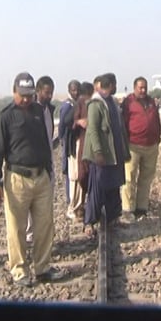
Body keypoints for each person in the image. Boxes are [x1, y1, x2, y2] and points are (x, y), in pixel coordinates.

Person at [0, 72, 65, 287]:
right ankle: (20, 270)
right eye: (22, 95)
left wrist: (49, 170)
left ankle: (42, 268)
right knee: (17, 228)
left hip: (40, 177)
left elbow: (45, 142)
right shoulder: (5, 117)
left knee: (44, 226)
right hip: (17, 179)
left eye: (29, 95)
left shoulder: (38, 112)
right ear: (14, 91)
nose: (26, 99)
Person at [82, 73, 130, 237]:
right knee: (97, 188)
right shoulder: (96, 104)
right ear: (109, 85)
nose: (115, 87)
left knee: (114, 186)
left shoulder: (112, 101)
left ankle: (113, 218)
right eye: (113, 84)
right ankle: (90, 222)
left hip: (114, 154)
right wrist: (98, 152)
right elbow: (93, 129)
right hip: (102, 155)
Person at [120, 76, 161, 222]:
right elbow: (123, 123)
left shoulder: (151, 102)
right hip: (133, 145)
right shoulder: (128, 102)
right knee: (128, 177)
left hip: (151, 146)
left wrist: (158, 138)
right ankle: (127, 209)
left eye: (145, 87)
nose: (143, 90)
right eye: (140, 88)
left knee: (146, 177)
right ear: (134, 88)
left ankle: (141, 208)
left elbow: (156, 120)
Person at [25, 75, 57, 243]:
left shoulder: (48, 110)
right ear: (38, 91)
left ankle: (43, 236)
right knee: (32, 203)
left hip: (48, 161)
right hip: (36, 164)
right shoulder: (31, 110)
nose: (49, 96)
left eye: (51, 92)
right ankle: (31, 236)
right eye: (46, 92)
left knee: (45, 202)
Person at [65, 81, 93, 220]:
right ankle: (74, 208)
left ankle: (79, 207)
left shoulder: (80, 104)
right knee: (77, 177)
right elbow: (66, 123)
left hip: (82, 145)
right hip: (76, 146)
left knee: (81, 176)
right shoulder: (75, 105)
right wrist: (78, 122)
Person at [58, 80, 80, 204]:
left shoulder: (77, 104)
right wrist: (61, 139)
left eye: (77, 90)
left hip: (73, 139)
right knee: (69, 170)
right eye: (73, 90)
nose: (76, 92)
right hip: (68, 140)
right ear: (69, 91)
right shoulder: (67, 105)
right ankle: (69, 198)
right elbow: (62, 124)